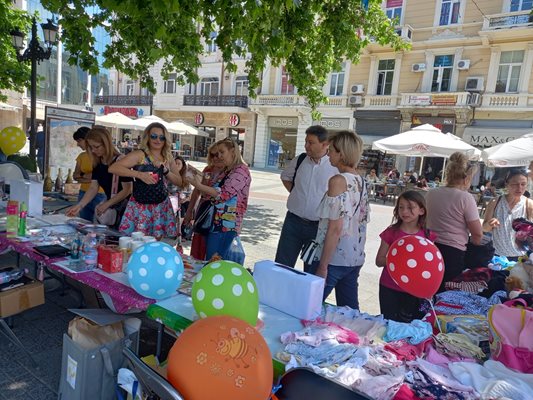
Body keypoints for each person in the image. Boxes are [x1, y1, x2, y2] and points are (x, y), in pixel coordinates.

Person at [306, 130, 369, 309]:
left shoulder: (338, 181)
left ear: (341, 153)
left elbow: (335, 228)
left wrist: (323, 266)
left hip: (334, 258)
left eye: (332, 150)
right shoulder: (361, 181)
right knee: (349, 312)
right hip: (354, 257)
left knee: (308, 307)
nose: (328, 154)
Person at [275, 125, 338, 267]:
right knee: (282, 265)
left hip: (318, 228)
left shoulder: (334, 167)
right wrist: (297, 193)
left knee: (311, 270)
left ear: (324, 144)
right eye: (306, 141)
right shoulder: (300, 160)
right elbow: (285, 177)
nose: (306, 146)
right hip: (293, 222)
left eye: (311, 142)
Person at [108, 122, 184, 238]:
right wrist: (139, 174)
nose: (158, 140)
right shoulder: (140, 154)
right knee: (136, 241)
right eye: (154, 136)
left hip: (159, 203)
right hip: (140, 203)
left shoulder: (168, 157)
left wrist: (166, 171)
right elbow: (114, 168)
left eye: (162, 137)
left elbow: (179, 182)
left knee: (155, 243)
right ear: (147, 137)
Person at [375, 191, 437, 322]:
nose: (405, 211)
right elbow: (379, 260)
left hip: (414, 291)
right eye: (401, 207)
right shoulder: (391, 232)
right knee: (389, 324)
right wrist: (398, 261)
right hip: (389, 288)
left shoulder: (428, 236)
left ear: (421, 211)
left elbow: (431, 266)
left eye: (410, 207)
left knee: (409, 327)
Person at [187, 137, 251, 260]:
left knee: (215, 261)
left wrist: (199, 185)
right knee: (211, 259)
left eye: (222, 152)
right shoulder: (228, 170)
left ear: (232, 151)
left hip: (226, 225)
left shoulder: (240, 171)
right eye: (216, 154)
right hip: (216, 223)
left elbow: (223, 194)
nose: (219, 156)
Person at [426, 152, 482, 289]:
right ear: (467, 178)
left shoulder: (431, 193)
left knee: (430, 286)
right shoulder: (466, 198)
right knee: (447, 291)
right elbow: (477, 234)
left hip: (430, 247)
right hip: (453, 252)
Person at [66, 127, 132, 225]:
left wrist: (107, 204)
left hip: (127, 210)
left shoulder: (121, 160)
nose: (93, 150)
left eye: (96, 147)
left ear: (106, 144)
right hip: (111, 208)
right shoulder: (98, 162)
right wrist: (79, 206)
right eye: (91, 147)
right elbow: (93, 187)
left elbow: (128, 189)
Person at [182, 142, 225, 260]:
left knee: (214, 250)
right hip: (204, 211)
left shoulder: (230, 172)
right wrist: (189, 211)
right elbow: (196, 191)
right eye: (213, 155)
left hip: (220, 216)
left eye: (219, 154)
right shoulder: (208, 169)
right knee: (199, 244)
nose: (216, 157)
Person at [482, 169, 533, 261]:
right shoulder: (495, 202)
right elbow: (484, 228)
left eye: (523, 184)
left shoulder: (529, 204)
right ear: (506, 184)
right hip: (496, 257)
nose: (519, 188)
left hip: (521, 259)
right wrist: (489, 224)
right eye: (515, 184)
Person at [72, 126, 107, 222]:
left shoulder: (102, 157)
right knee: (84, 222)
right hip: (84, 192)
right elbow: (76, 176)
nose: (78, 144)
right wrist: (87, 176)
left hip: (101, 194)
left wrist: (86, 176)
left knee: (100, 223)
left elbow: (99, 178)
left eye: (79, 141)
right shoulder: (83, 156)